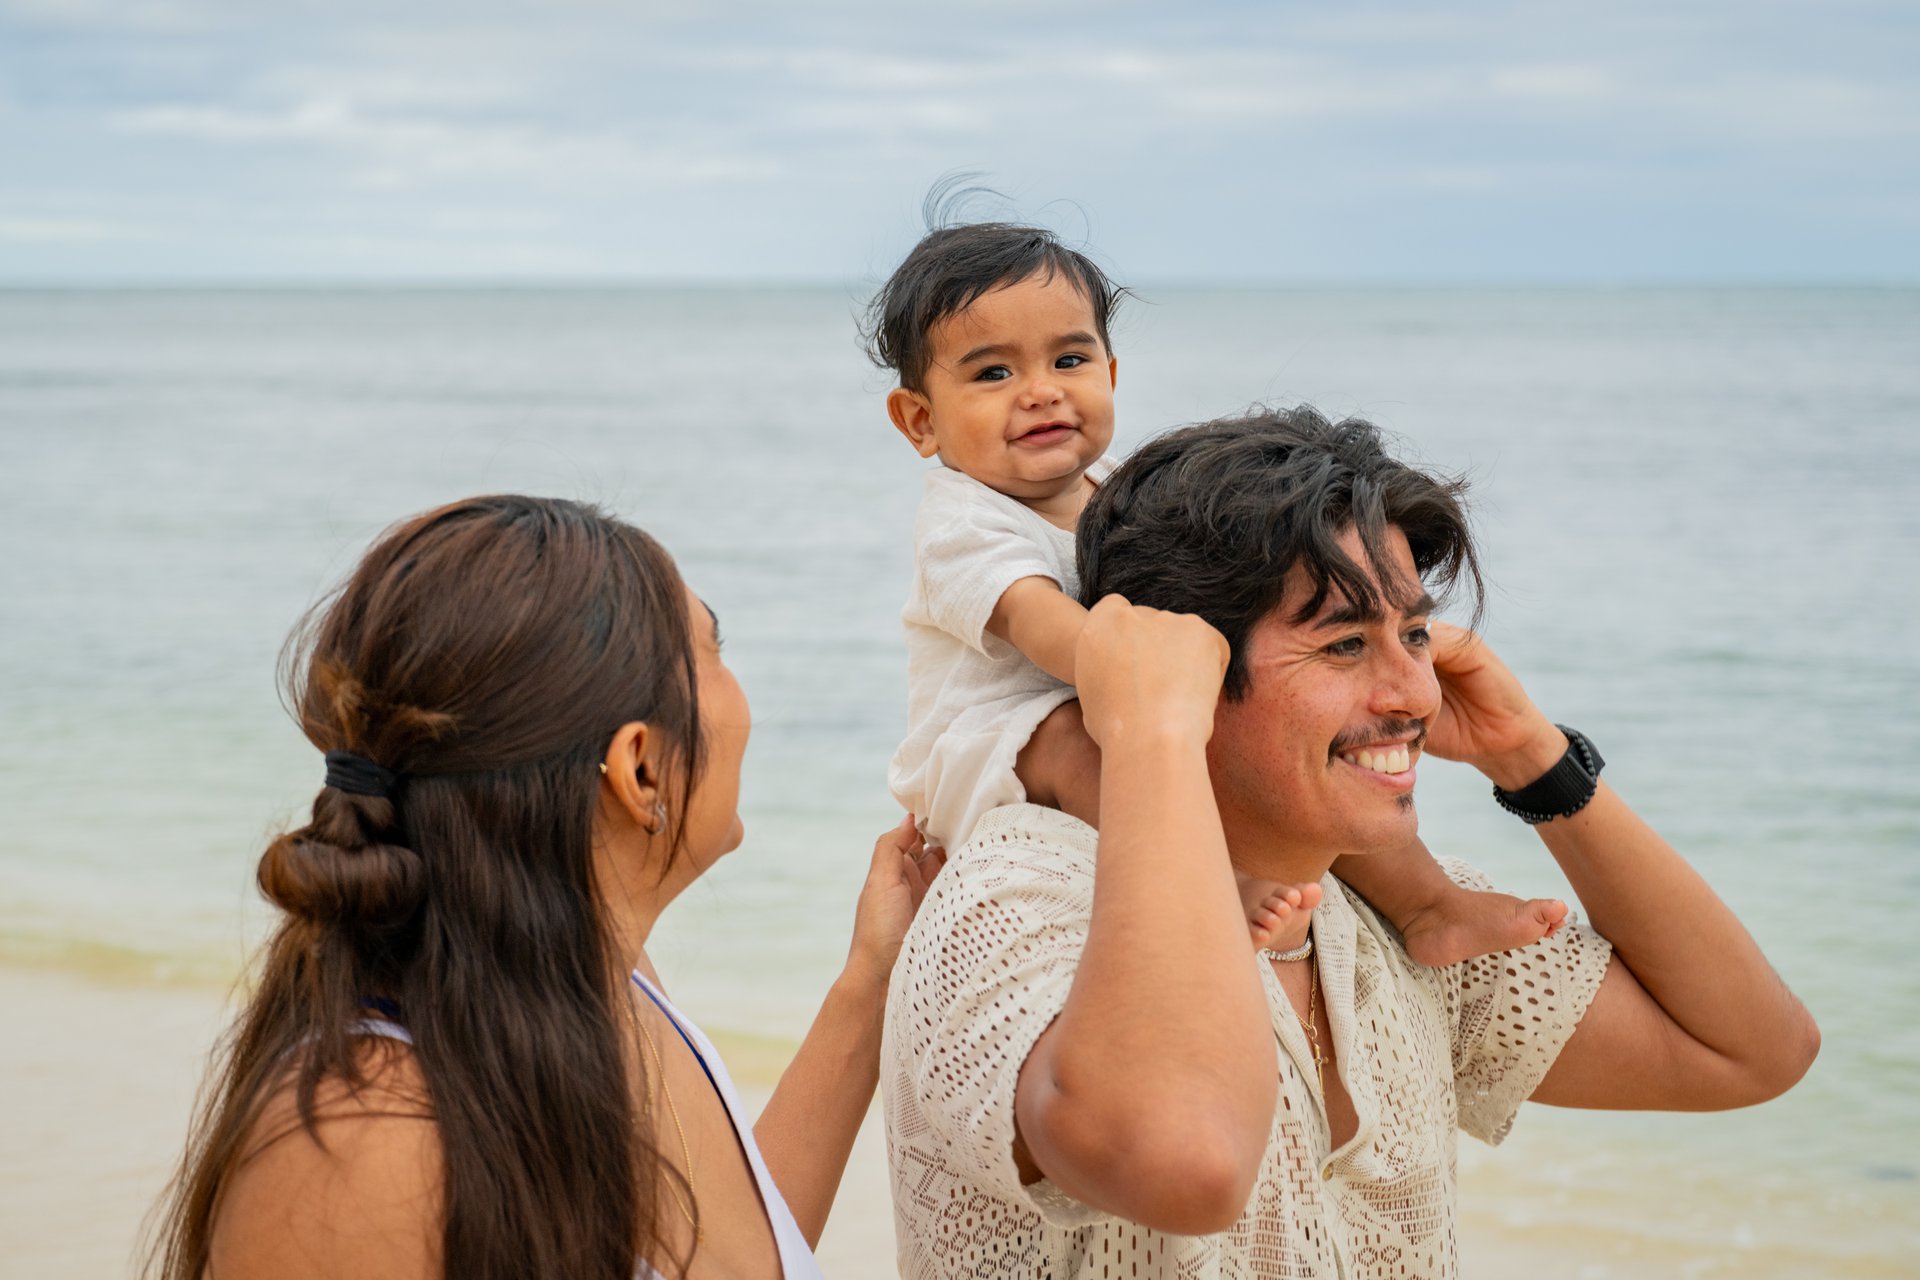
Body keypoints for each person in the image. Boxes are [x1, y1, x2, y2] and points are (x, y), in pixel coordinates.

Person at [881, 406, 1820, 1278]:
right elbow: (1188, 1166)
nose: (1415, 694)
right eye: (1343, 646)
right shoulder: (1012, 907)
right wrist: (1152, 733)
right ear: (1183, 670)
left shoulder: (1374, 912)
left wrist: (1536, 762)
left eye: (1414, 633)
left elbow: (1750, 1050)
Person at [149, 495, 943, 1280]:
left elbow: (729, 1254)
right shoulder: (359, 1156)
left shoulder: (604, 983)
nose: (744, 697)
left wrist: (872, 981)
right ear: (639, 769)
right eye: (715, 650)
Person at [867, 216, 1561, 966]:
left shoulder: (1107, 489)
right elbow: (1063, 638)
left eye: (1069, 360)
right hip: (990, 749)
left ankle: (1430, 905)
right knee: (1076, 736)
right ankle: (1215, 883)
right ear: (920, 420)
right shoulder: (962, 526)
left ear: (1110, 375)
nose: (1041, 392)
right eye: (993, 374)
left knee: (1307, 752)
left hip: (1113, 707)